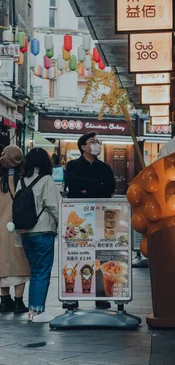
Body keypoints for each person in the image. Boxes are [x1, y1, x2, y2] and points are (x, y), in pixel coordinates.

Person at [66, 132, 116, 310]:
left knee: (100, 256)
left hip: (100, 218)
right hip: (77, 221)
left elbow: (110, 188)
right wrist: (97, 185)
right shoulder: (72, 165)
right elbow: (72, 183)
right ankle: (72, 296)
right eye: (93, 142)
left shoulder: (105, 167)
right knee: (77, 255)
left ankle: (101, 296)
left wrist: (87, 188)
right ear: (83, 147)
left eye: (98, 142)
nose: (97, 145)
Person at [17, 148, 61, 323]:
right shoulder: (47, 180)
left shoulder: (22, 180)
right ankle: (37, 311)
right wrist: (66, 225)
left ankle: (32, 311)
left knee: (35, 272)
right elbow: (53, 206)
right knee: (43, 272)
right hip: (43, 231)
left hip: (25, 231)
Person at [0, 146, 30, 314]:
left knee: (3, 265)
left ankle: (4, 301)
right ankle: (19, 302)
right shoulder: (25, 181)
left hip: (2, 230)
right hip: (21, 228)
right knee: (21, 265)